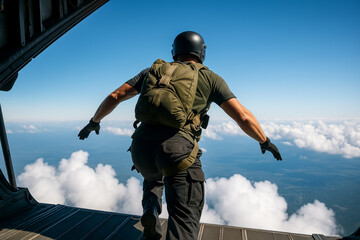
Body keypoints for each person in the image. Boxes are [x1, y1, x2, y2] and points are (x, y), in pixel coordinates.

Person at [78, 31, 282, 240]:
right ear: (202, 52)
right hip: (177, 152)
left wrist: (93, 123)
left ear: (175, 51)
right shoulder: (210, 78)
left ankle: (151, 213)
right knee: (184, 218)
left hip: (140, 149)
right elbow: (243, 117)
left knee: (153, 176)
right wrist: (264, 141)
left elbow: (115, 96)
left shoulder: (152, 72)